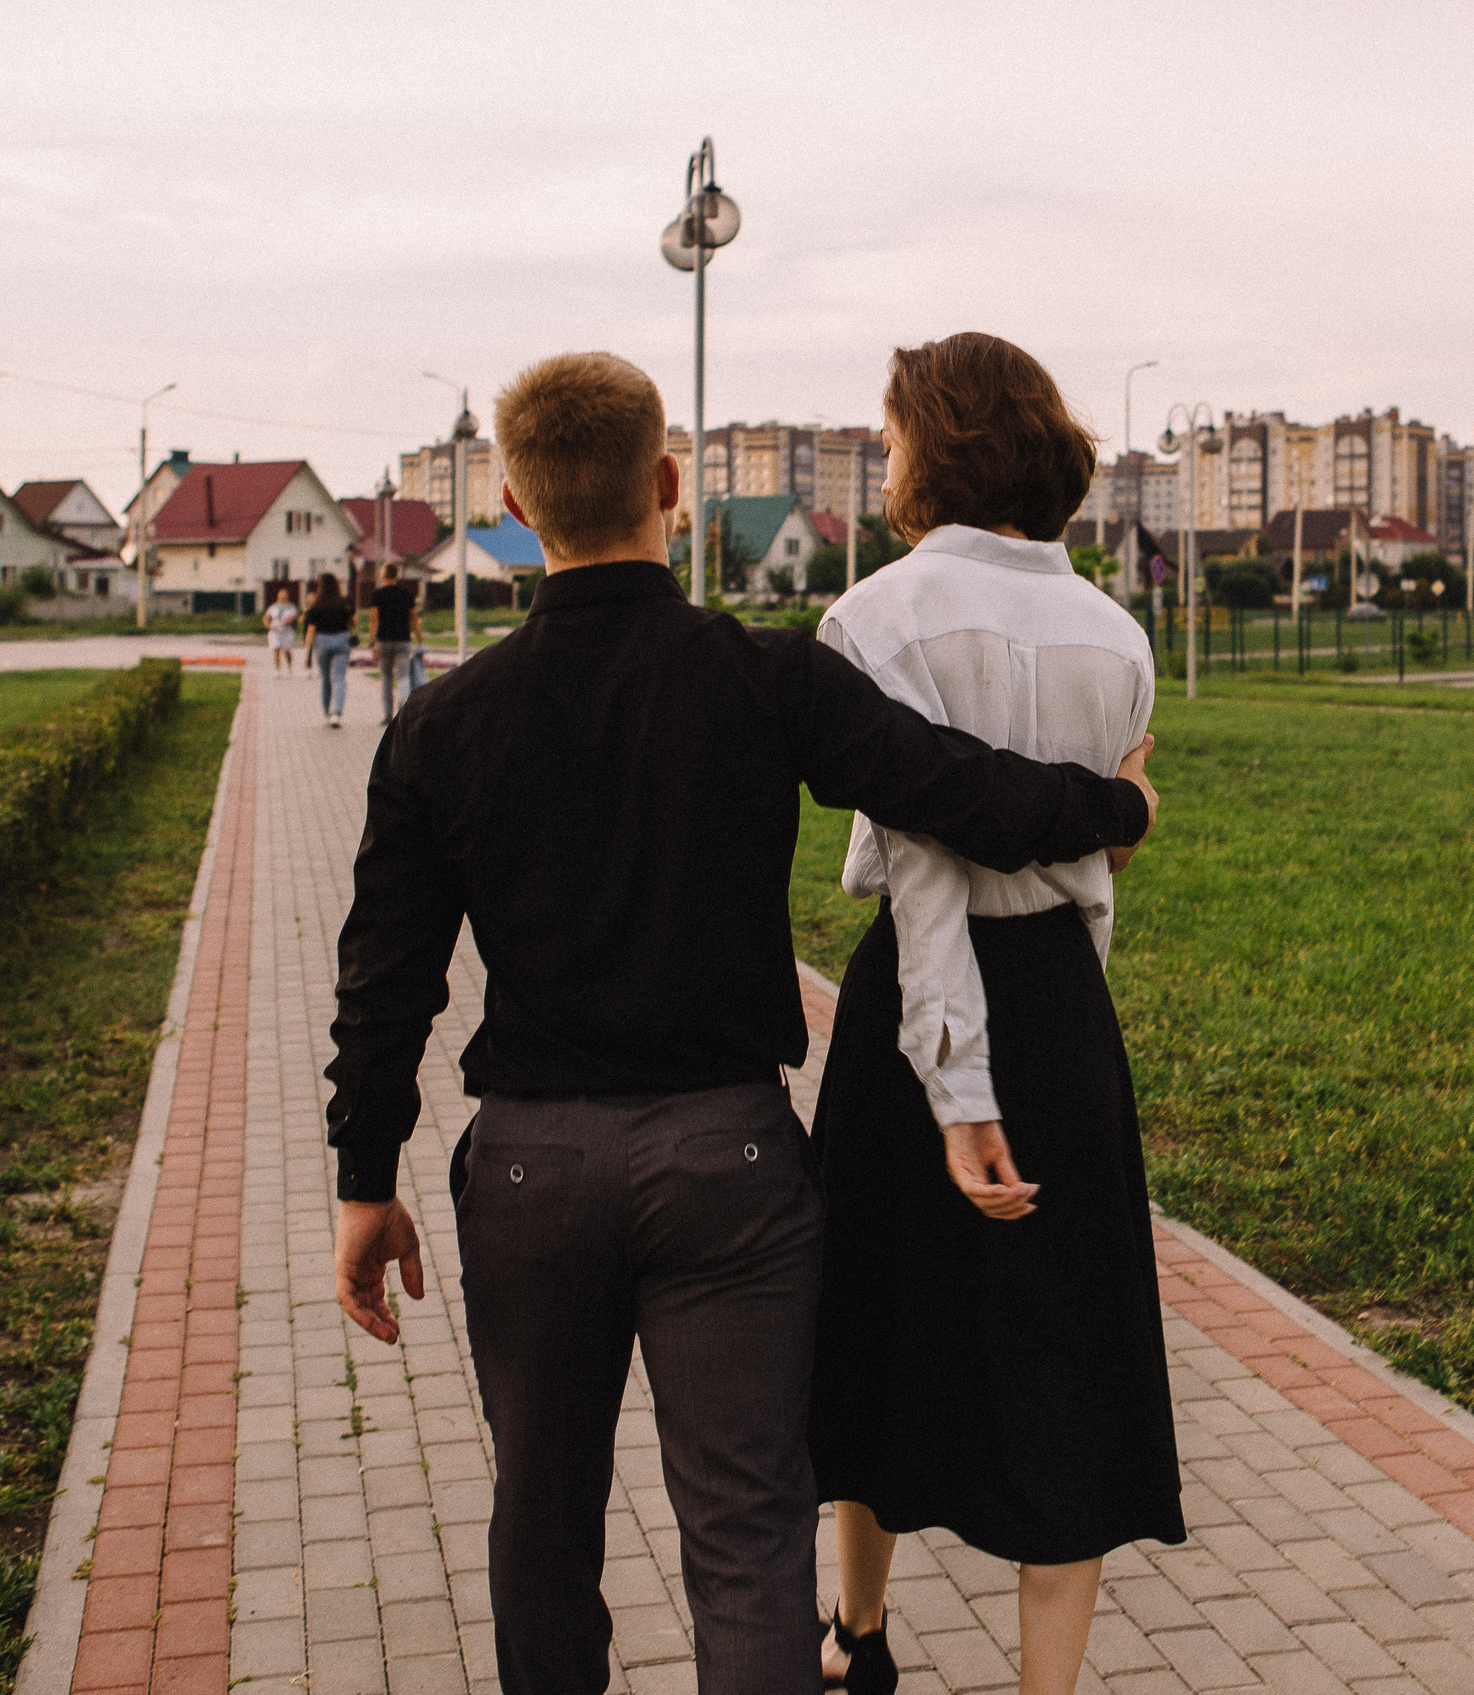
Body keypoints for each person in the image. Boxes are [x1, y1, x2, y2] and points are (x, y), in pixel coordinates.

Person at [325, 350, 1158, 1695]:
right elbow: (961, 795)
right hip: (732, 1166)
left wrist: (366, 1178)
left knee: (540, 1520)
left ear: (521, 507)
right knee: (746, 1531)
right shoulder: (762, 677)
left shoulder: (444, 724)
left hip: (530, 1172)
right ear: (669, 483)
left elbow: (384, 978)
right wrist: (1117, 809)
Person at [810, 334, 1184, 1695]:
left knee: (874, 1325)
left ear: (938, 442)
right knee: (1067, 1355)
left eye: (895, 429)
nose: (887, 453)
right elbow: (1094, 870)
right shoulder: (1121, 633)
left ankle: (857, 1634)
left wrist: (958, 1091)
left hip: (920, 1009)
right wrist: (1062, 1029)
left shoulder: (872, 621)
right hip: (1062, 1012)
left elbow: (923, 880)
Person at [367, 560, 420, 723]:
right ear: (396, 575)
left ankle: (387, 715)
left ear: (383, 575)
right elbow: (413, 618)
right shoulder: (406, 594)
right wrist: (420, 637)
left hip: (383, 640)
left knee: (386, 678)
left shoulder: (377, 595)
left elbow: (374, 620)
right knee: (404, 676)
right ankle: (403, 709)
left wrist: (371, 642)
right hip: (403, 640)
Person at [303, 574, 355, 726]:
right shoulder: (344, 603)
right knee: (339, 678)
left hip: (322, 641)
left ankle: (327, 711)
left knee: (326, 678)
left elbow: (311, 630)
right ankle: (336, 714)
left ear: (320, 586)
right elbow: (353, 622)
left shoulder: (315, 605)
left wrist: (307, 653)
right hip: (341, 641)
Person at [264, 582, 301, 676]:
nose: (283, 597)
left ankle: (289, 667)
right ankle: (277, 670)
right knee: (276, 649)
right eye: (281, 596)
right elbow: (266, 617)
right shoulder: (273, 607)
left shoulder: (291, 607)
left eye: (285, 596)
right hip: (275, 631)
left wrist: (286, 622)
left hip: (286, 631)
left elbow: (293, 617)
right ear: (278, 596)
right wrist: (267, 624)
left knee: (287, 650)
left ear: (287, 597)